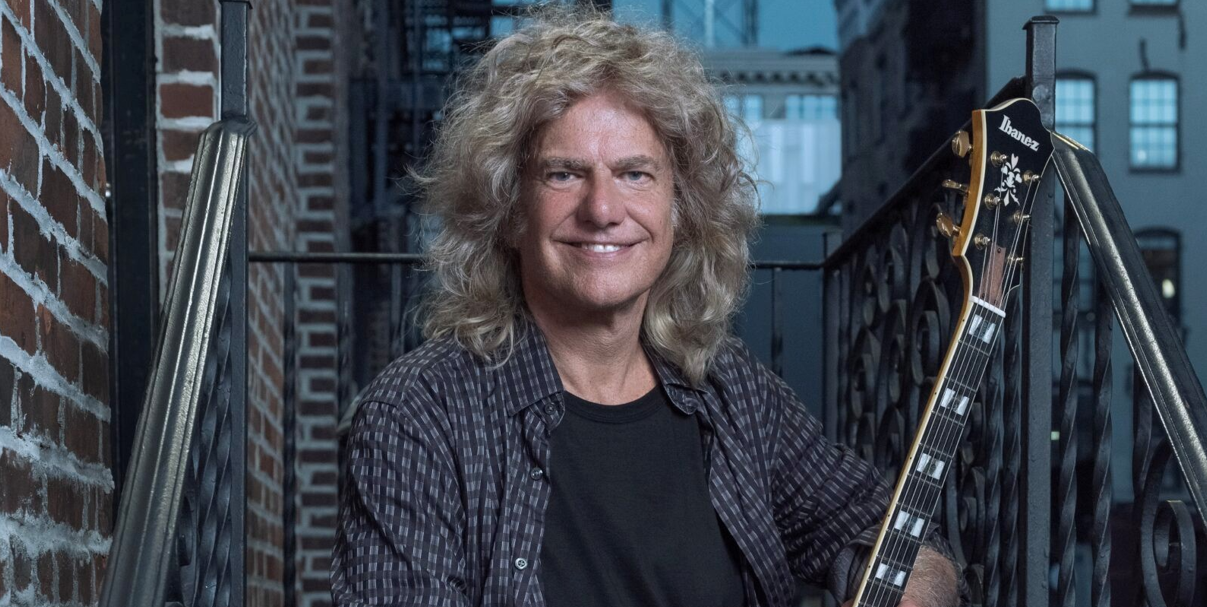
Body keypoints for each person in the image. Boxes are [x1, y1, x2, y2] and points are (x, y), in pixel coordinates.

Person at [331, 6, 961, 606]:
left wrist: (911, 592)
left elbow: (900, 540)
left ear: (679, 209)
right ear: (510, 210)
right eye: (563, 174)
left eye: (635, 174)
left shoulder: (732, 394)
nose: (603, 210)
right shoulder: (419, 416)